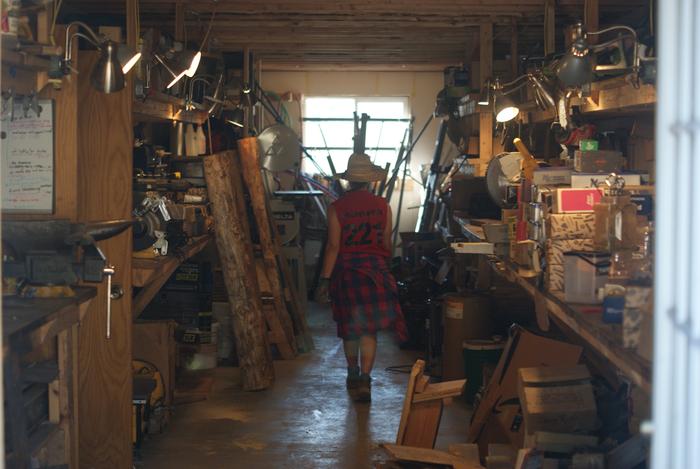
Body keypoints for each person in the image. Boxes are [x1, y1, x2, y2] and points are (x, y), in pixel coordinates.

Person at [315, 153, 407, 402]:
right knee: (370, 331)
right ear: (369, 181)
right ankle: (366, 379)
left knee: (350, 330)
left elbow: (333, 246)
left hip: (347, 275)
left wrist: (324, 280)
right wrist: (383, 266)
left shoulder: (337, 208)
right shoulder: (382, 206)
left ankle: (352, 374)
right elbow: (387, 243)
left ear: (348, 181)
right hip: (375, 273)